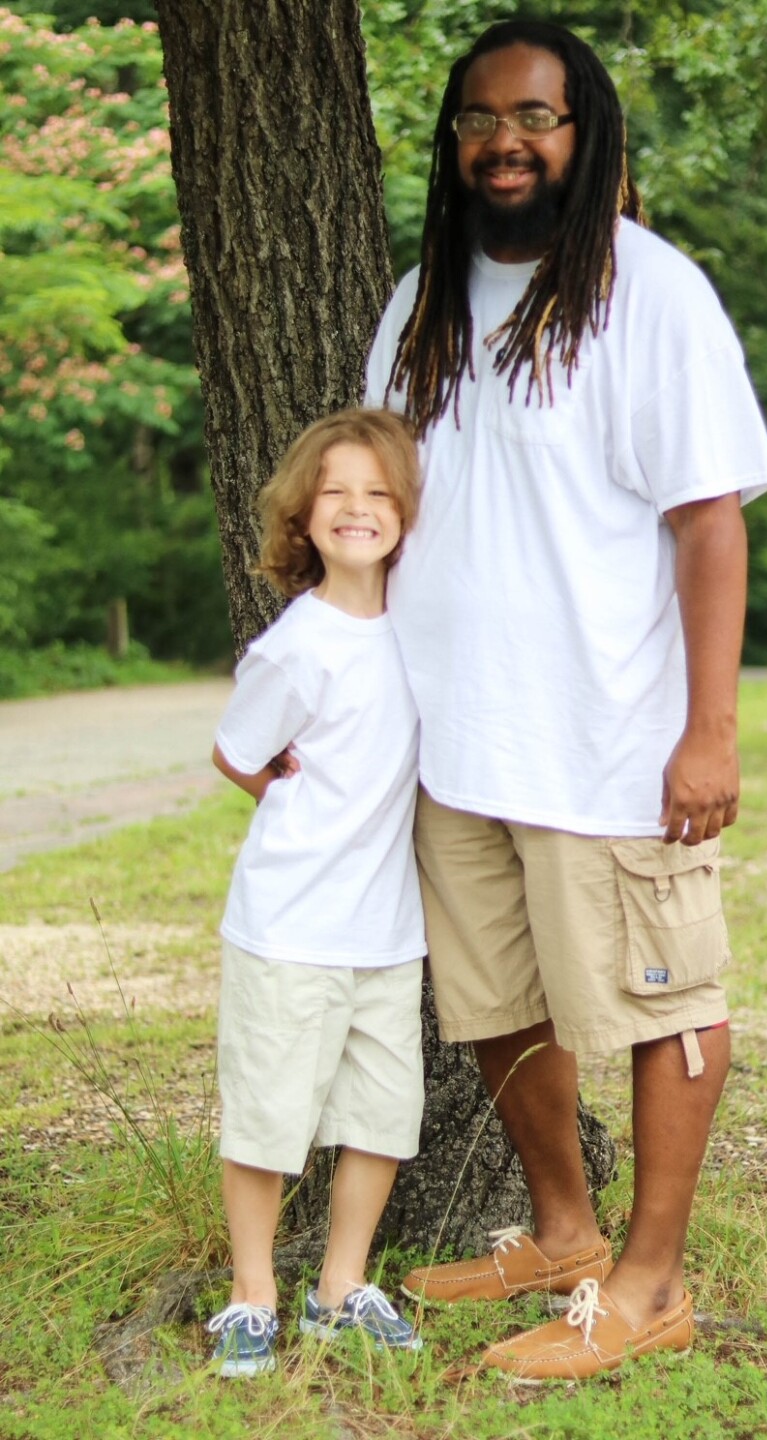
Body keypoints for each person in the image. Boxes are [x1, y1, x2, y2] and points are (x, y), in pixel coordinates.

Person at [365, 19, 767, 1381]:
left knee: (664, 1002)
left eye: (537, 116)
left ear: (585, 130)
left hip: (607, 740)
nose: (506, 141)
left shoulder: (647, 291)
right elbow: (375, 505)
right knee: (494, 1004)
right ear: (453, 141)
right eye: (481, 118)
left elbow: (709, 523)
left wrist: (707, 732)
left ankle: (651, 1282)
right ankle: (564, 1234)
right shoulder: (421, 299)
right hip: (455, 744)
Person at [205, 408, 426, 1377]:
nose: (358, 509)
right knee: (269, 1115)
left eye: (379, 493)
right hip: (291, 924)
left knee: (381, 1113)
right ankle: (251, 1296)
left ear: (409, 514)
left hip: (387, 929)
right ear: (303, 517)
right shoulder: (297, 643)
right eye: (336, 492)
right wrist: (287, 796)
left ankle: (340, 1287)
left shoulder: (424, 631)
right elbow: (235, 750)